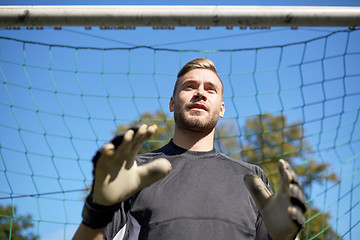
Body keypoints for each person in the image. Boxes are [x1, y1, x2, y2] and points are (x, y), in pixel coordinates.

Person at [73, 58, 306, 240]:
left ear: (222, 108)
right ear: (172, 103)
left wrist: (288, 237)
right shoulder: (135, 171)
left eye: (210, 89)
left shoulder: (251, 179)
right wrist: (97, 211)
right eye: (190, 86)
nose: (200, 93)